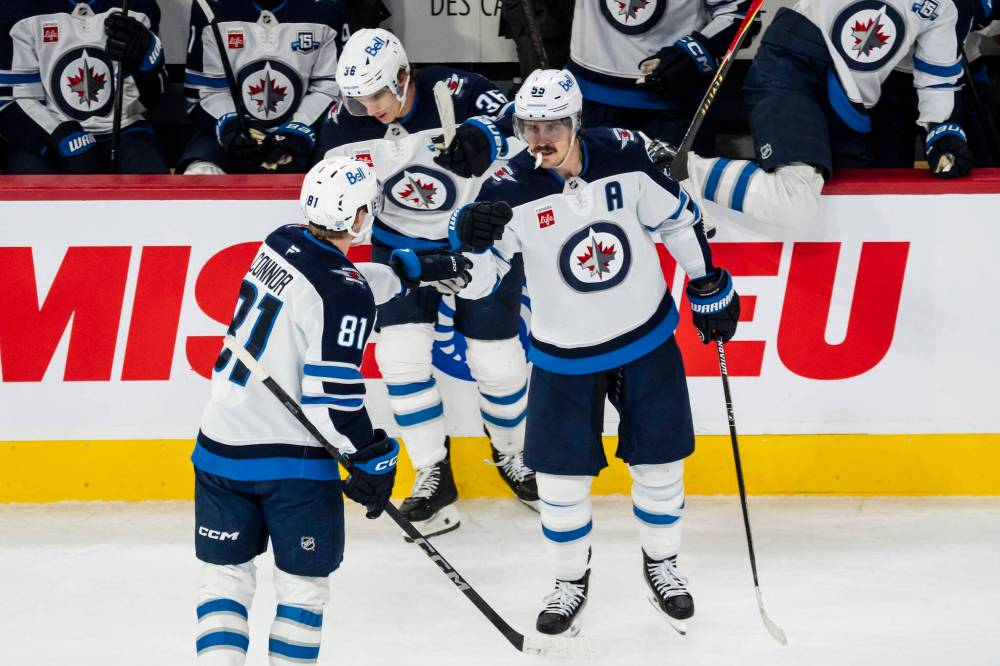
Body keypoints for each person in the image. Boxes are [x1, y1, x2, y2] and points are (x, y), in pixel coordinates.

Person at [450, 69, 740, 636]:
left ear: (577, 120)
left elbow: (677, 220)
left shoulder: (625, 156)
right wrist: (467, 242)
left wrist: (705, 282)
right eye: (528, 126)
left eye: (552, 124)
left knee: (659, 467)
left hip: (644, 339)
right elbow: (478, 282)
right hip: (564, 354)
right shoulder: (505, 189)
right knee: (559, 485)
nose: (540, 138)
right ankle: (568, 579)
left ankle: (663, 565)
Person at [191, 156, 471, 665]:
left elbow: (332, 284)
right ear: (362, 215)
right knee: (301, 590)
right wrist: (370, 455)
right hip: (290, 463)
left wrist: (410, 270)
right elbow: (331, 399)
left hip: (219, 449)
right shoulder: (343, 292)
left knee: (224, 580)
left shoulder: (280, 240)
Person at [318, 28, 538, 538]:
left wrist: (488, 134)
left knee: (497, 362)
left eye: (377, 94)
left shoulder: (458, 91)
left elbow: (527, 119)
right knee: (398, 354)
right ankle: (432, 474)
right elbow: (338, 193)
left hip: (479, 239)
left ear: (402, 76)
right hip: (401, 246)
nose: (368, 108)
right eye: (357, 98)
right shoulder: (340, 125)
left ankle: (513, 454)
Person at [675, 0, 984, 229]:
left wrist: (941, 129)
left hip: (852, 105)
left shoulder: (945, 8)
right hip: (794, 68)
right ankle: (670, 170)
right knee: (793, 200)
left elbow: (937, 76)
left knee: (857, 212)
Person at [178, 0, 347, 175]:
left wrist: (299, 131)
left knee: (337, 173)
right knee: (200, 173)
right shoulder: (210, 6)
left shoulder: (326, 6)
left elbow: (331, 87)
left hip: (308, 131)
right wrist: (231, 126)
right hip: (234, 133)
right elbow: (205, 89)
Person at [0, 0, 168, 174]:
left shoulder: (139, 6)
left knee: (150, 187)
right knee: (34, 191)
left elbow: (151, 99)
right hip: (48, 133)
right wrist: (60, 138)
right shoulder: (16, 9)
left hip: (125, 131)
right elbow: (9, 100)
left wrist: (146, 64)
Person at [566, 0, 760, 150]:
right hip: (589, 102)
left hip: (675, 109)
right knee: (587, 198)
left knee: (680, 198)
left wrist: (692, 54)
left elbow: (741, 14)